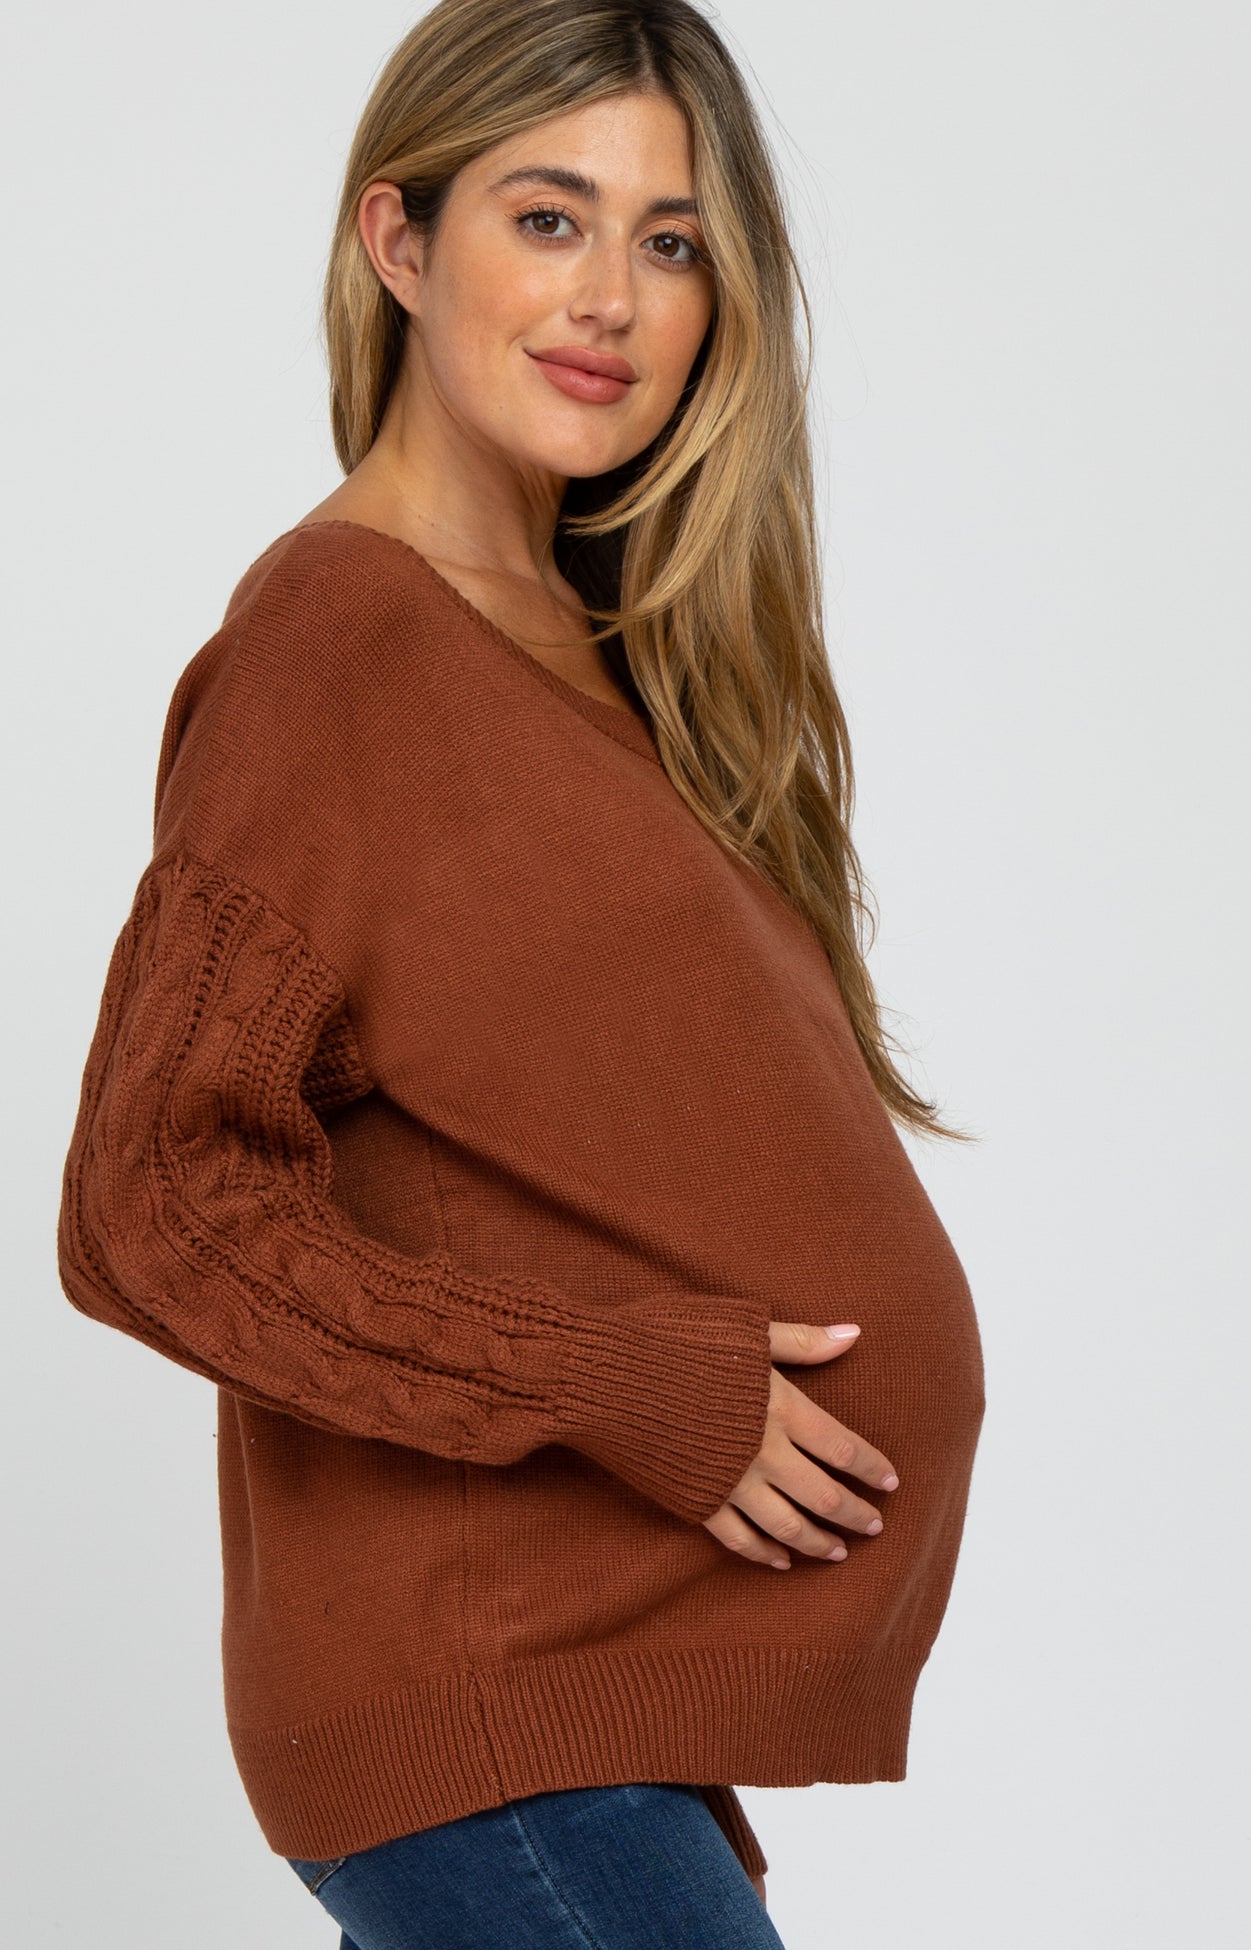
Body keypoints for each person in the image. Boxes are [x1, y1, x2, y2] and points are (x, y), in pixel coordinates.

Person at [55, 2, 987, 1944]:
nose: (611, 299)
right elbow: (151, 1201)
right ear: (398, 241)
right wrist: (617, 1384)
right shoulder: (337, 643)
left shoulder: (580, 639)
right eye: (547, 218)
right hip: (494, 1725)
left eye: (671, 241)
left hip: (574, 1717)